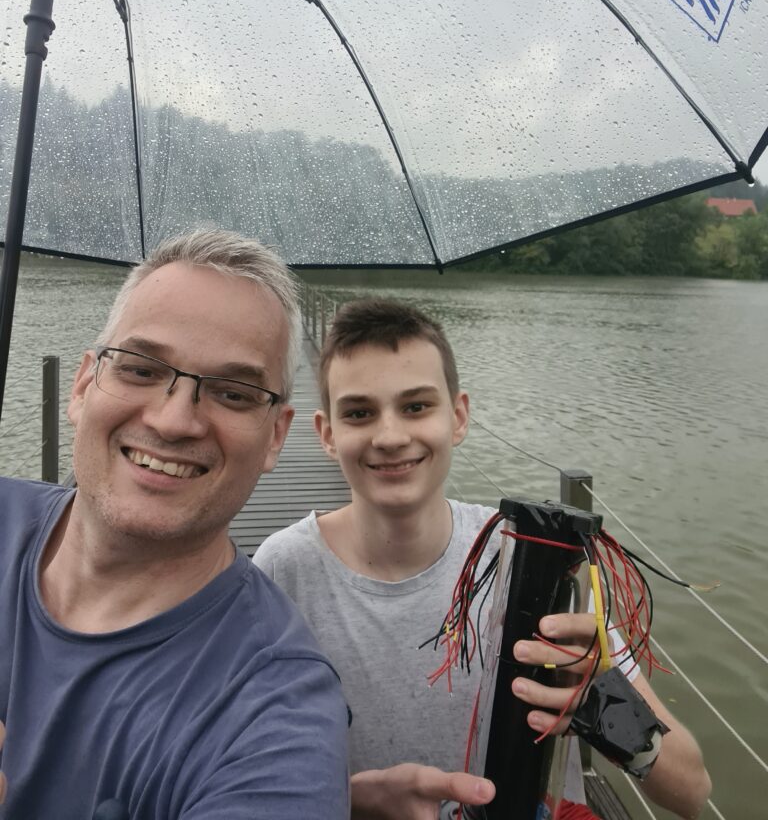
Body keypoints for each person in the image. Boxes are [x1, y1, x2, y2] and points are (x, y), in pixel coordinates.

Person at [254, 298, 712, 820]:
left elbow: (691, 789)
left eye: (416, 406)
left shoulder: (532, 558)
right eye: (360, 413)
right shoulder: (283, 570)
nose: (390, 436)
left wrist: (600, 704)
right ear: (327, 434)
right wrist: (355, 800)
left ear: (458, 417)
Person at [0, 230, 349, 819]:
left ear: (276, 436)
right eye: (140, 369)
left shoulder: (276, 713)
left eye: (233, 394)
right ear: (83, 386)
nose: (173, 421)